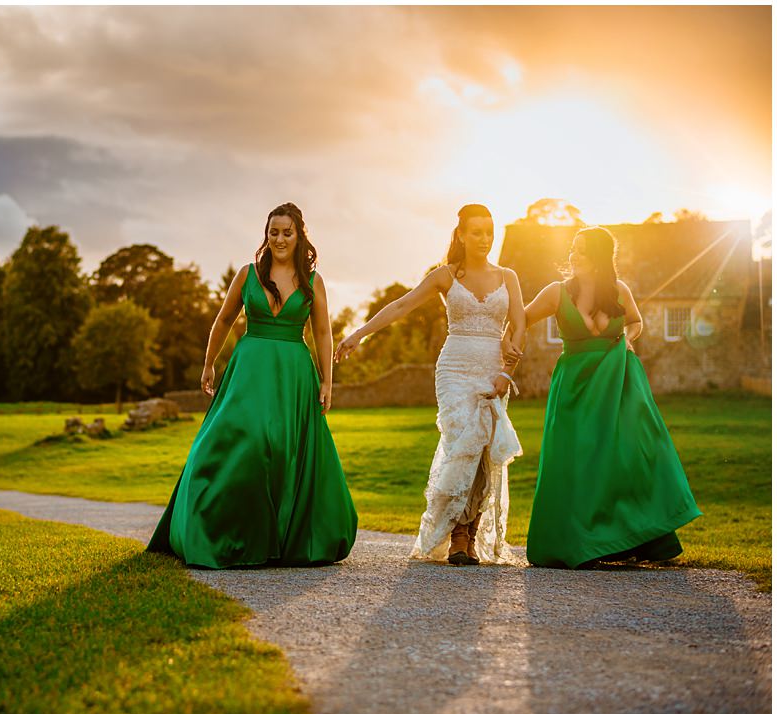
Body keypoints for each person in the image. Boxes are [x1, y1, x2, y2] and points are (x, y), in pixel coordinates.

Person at [146, 202, 357, 568]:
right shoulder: (247, 275)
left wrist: (327, 381)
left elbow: (323, 332)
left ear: (299, 235)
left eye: (286, 233)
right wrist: (209, 364)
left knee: (284, 449)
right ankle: (217, 529)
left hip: (293, 373)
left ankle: (284, 541)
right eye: (273, 232)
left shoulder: (313, 280)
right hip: (248, 372)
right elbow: (224, 319)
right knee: (240, 443)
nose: (279, 239)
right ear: (266, 235)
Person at [336, 204, 526, 565]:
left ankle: (471, 535)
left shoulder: (509, 277)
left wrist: (507, 372)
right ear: (461, 235)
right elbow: (402, 305)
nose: (484, 238)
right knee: (461, 444)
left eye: (489, 231)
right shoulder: (445, 275)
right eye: (476, 232)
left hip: (492, 370)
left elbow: (519, 327)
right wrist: (360, 333)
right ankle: (456, 534)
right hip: (453, 370)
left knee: (485, 452)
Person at [507, 226, 702, 568]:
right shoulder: (556, 292)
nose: (573, 255)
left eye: (581, 250)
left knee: (627, 457)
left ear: (598, 259)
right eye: (573, 248)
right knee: (575, 460)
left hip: (616, 385)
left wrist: (627, 338)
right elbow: (520, 318)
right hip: (574, 388)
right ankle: (573, 542)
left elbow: (636, 323)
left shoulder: (619, 290)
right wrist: (505, 346)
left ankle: (633, 538)